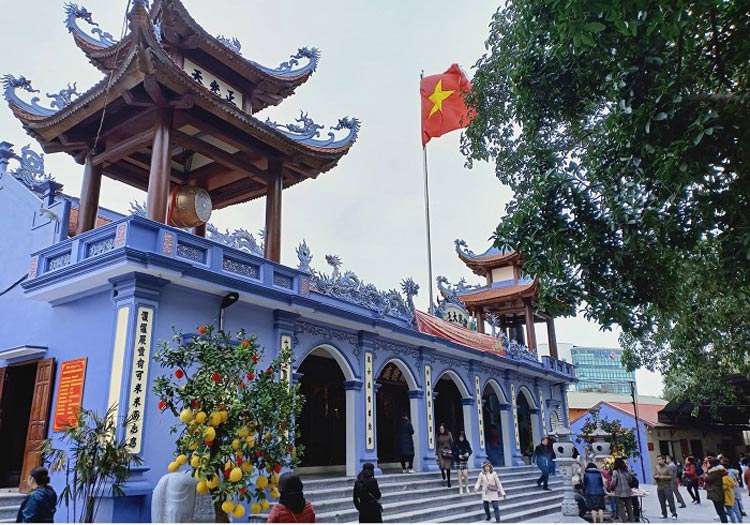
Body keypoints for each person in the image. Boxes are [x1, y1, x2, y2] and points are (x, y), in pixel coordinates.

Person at [610, 457, 635, 522]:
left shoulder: (615, 472)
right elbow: (630, 479)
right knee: (629, 507)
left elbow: (614, 481)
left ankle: (624, 521)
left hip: (619, 492)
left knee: (621, 508)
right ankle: (632, 520)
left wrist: (611, 488)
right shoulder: (626, 470)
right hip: (627, 491)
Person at [654, 455, 678, 519]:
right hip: (659, 487)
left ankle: (674, 514)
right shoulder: (657, 467)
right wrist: (655, 477)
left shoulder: (668, 467)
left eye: (660, 459)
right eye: (658, 459)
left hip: (667, 486)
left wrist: (663, 477)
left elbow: (671, 476)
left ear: (664, 460)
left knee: (670, 501)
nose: (658, 461)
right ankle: (664, 513)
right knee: (662, 501)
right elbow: (655, 474)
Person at [707, 458, 729, 523]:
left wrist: (705, 472)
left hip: (716, 492)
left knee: (720, 510)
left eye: (708, 463)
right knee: (721, 509)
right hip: (718, 491)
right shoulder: (719, 470)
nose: (707, 464)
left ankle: (724, 522)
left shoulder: (715, 472)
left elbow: (707, 479)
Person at [452, 431, 473, 495]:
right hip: (458, 460)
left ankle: (467, 486)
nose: (461, 438)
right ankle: (460, 488)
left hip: (464, 460)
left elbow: (470, 450)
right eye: (460, 437)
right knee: (459, 475)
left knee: (465, 474)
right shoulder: (455, 443)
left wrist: (468, 453)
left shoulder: (466, 443)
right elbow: (453, 451)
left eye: (462, 437)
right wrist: (458, 455)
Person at [436, 423, 454, 488]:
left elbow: (452, 443)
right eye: (440, 429)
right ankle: (442, 473)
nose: (441, 430)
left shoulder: (449, 434)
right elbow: (437, 444)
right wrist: (436, 454)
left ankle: (448, 481)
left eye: (442, 428)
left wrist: (453, 451)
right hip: (440, 451)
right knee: (442, 464)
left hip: (448, 451)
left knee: (448, 467)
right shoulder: (438, 435)